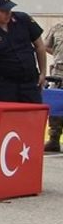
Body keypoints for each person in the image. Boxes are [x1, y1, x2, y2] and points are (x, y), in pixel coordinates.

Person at [43, 20, 63, 152]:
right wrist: (58, 56)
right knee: (56, 105)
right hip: (59, 71)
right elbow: (45, 45)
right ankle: (54, 139)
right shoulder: (58, 27)